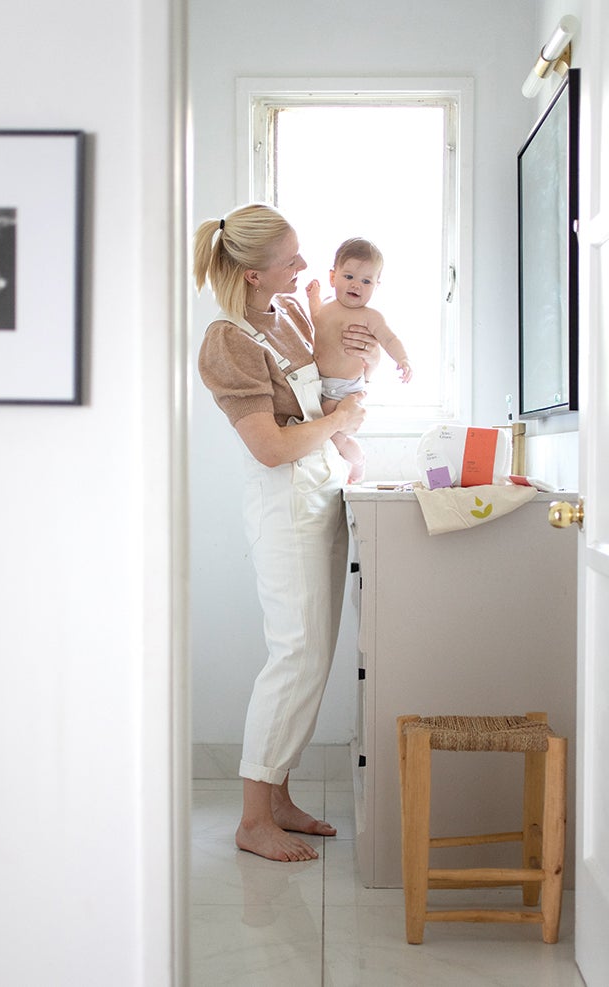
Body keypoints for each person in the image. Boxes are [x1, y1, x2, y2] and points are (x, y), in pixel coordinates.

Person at [194, 204, 381, 863]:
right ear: (250, 275)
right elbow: (271, 447)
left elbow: (333, 405)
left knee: (313, 655)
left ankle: (278, 796)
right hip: (284, 502)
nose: (306, 269)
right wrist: (341, 420)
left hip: (320, 492)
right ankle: (252, 817)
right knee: (293, 655)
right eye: (291, 260)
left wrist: (361, 375)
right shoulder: (227, 342)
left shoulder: (291, 316)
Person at [306, 237, 412, 481]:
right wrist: (313, 298)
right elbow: (316, 321)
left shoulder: (370, 316)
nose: (357, 285)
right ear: (333, 277)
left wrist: (403, 359)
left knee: (331, 433)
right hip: (318, 383)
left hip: (344, 388)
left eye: (366, 280)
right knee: (317, 429)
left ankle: (358, 460)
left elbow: (389, 339)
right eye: (349, 277)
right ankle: (338, 463)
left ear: (376, 285)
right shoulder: (327, 307)